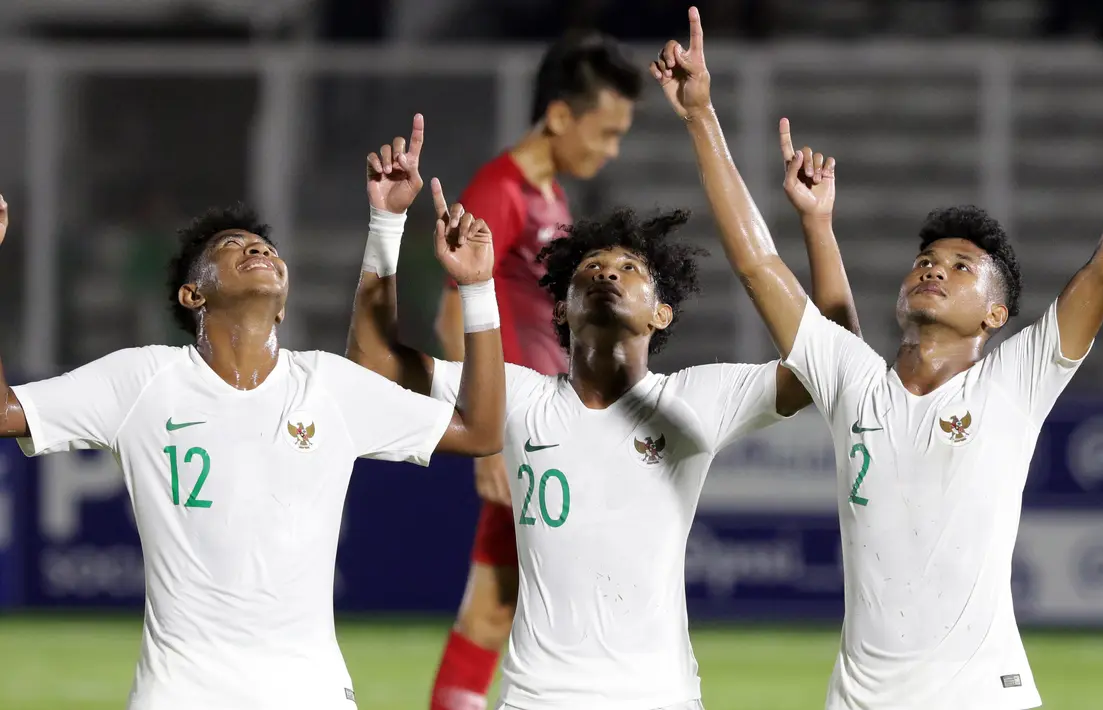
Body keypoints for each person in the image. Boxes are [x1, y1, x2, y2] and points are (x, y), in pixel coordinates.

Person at [651, 8, 1103, 709]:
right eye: (925, 260)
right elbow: (758, 263)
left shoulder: (1015, 381)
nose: (933, 269)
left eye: (960, 265)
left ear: (995, 316)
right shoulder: (857, 385)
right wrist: (702, 115)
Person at [0, 149, 506, 710]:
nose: (258, 248)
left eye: (265, 246)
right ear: (193, 295)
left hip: (309, 695)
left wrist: (477, 288)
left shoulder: (329, 386)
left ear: (285, 305)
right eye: (231, 247)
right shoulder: (142, 380)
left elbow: (481, 432)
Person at [347, 142, 823, 709]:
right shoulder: (520, 398)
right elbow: (373, 363)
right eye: (591, 268)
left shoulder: (695, 398)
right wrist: (387, 220)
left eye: (629, 269)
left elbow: (829, 365)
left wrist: (814, 224)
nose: (607, 274)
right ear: (563, 312)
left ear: (660, 313)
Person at [426, 30, 641, 710]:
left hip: (546, 426)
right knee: (507, 605)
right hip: (521, 430)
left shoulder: (547, 195)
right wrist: (486, 436)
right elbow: (449, 316)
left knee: (499, 605)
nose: (609, 150)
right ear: (557, 116)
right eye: (603, 133)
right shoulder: (501, 189)